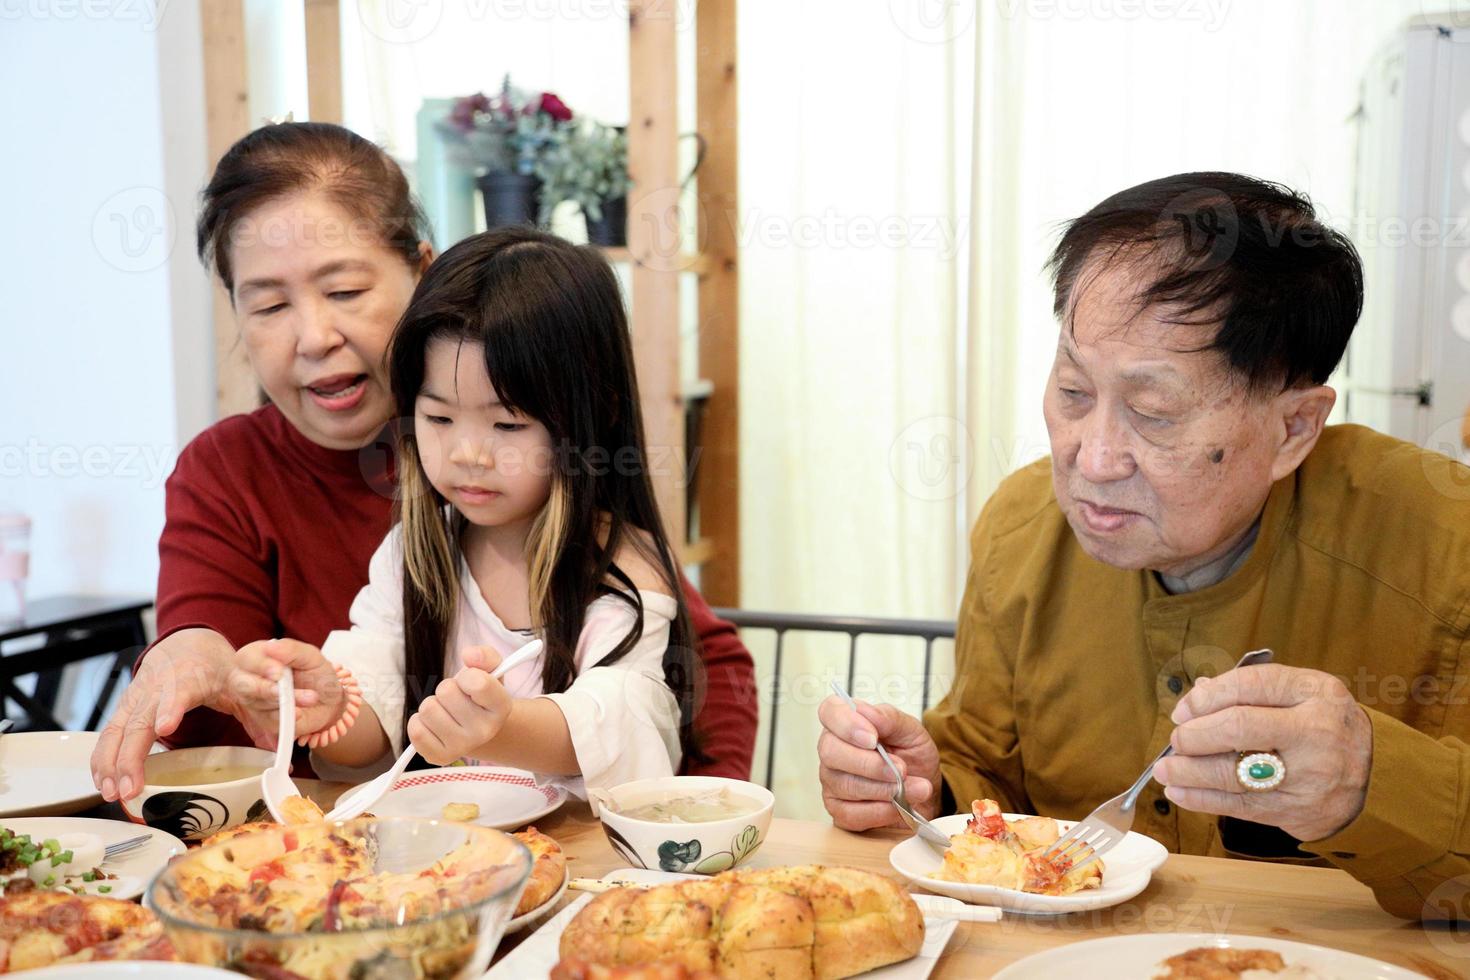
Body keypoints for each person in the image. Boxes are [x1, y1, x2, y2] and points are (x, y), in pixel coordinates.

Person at [817, 172, 1470, 921]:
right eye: (1072, 393)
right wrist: (925, 788)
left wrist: (1369, 784)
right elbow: (991, 769)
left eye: (1153, 412)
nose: (1091, 459)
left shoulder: (1443, 543)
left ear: (1294, 428)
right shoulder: (1022, 524)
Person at [90, 122, 756, 801]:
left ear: (422, 272)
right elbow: (351, 690)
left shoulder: (581, 529)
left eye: (345, 291)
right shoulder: (351, 514)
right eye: (268, 303)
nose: (315, 336)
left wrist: (690, 839)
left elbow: (679, 680)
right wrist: (312, 702)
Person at [228, 228, 699, 792]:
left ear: (593, 414)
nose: (467, 454)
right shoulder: (417, 551)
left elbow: (621, 721)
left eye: (507, 425)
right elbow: (376, 708)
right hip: (453, 857)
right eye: (439, 419)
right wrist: (328, 710)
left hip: (586, 864)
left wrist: (496, 727)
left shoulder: (624, 567)